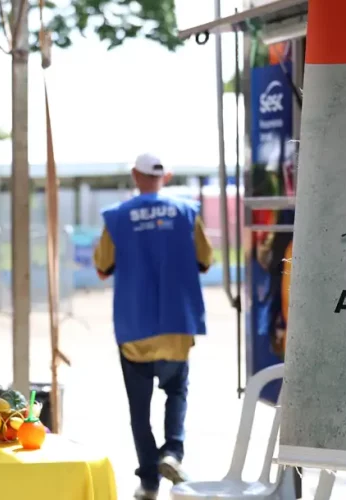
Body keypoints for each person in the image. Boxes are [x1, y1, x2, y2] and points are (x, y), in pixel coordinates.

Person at [93, 153, 213, 500]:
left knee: (139, 409)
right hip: (176, 324)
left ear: (135, 175)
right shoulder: (187, 211)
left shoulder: (116, 217)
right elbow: (205, 260)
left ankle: (148, 482)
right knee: (176, 391)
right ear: (166, 177)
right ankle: (172, 452)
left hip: (135, 327)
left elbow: (102, 267)